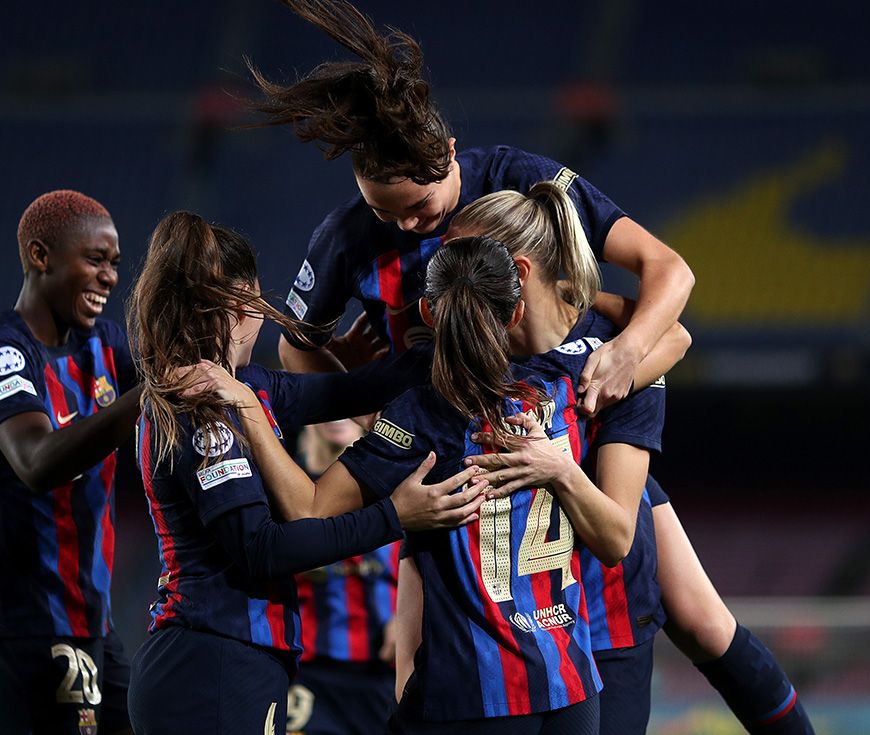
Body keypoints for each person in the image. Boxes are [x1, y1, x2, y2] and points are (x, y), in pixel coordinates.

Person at [207, 234, 682, 733]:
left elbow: (308, 510)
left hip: (473, 693)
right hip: (571, 689)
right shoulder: (569, 382)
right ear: (516, 313)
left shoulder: (418, 416)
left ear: (429, 314)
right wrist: (578, 300)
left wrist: (248, 410)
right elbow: (674, 334)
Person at [452, 190, 815, 734]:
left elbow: (671, 336)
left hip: (600, 592)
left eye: (464, 261)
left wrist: (604, 326)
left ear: (520, 275)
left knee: (706, 625)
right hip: (509, 605)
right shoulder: (467, 348)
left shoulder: (612, 356)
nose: (446, 272)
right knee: (705, 624)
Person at [123, 211, 486, 735]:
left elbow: (365, 387)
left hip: (237, 659)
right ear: (243, 300)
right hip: (210, 664)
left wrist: (455, 320)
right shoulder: (201, 411)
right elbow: (264, 549)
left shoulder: (249, 388)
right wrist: (395, 516)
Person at [247, 0, 695, 416]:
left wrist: (627, 351)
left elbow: (668, 268)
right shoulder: (346, 236)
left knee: (649, 507)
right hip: (439, 422)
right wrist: (375, 422)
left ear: (449, 153)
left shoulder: (519, 178)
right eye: (383, 212)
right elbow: (297, 346)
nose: (406, 224)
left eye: (420, 205)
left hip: (547, 398)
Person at [0, 190, 139, 734]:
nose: (109, 277)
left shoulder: (104, 344)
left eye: (115, 264)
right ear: (41, 255)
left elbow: (167, 392)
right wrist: (146, 396)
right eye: (96, 260)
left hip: (89, 618)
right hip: (16, 625)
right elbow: (35, 462)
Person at [287, 421, 401, 735]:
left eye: (348, 401)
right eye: (329, 402)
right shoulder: (277, 493)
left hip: (386, 676)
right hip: (306, 678)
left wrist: (411, 618)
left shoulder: (403, 486)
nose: (339, 415)